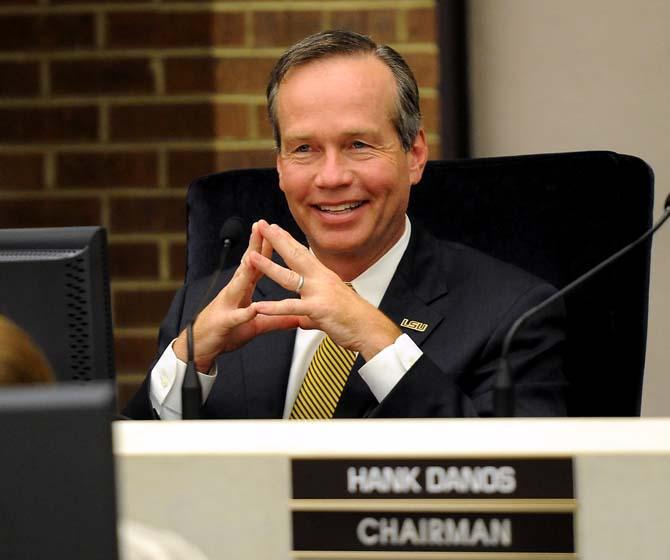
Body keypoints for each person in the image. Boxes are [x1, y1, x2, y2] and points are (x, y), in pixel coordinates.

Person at [124, 30, 567, 420]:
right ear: (279, 166)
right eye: (304, 150)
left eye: (357, 145)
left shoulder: (512, 314)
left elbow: (514, 487)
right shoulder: (207, 306)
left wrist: (377, 338)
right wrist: (189, 359)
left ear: (413, 155)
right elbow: (123, 484)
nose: (331, 177)